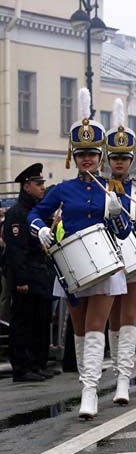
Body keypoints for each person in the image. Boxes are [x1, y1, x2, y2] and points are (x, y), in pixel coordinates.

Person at [28, 88, 132, 419]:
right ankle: (85, 384)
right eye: (81, 153)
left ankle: (90, 391)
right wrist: (41, 229)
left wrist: (118, 215)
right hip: (71, 268)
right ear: (72, 156)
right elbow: (35, 214)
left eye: (92, 154)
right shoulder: (62, 189)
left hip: (104, 266)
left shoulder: (111, 190)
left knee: (95, 325)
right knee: (79, 328)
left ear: (101, 157)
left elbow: (125, 233)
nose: (87, 159)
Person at [104, 98, 136, 405]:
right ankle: (116, 371)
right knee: (111, 318)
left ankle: (124, 378)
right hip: (108, 259)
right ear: (107, 159)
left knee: (129, 317)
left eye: (125, 158)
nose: (120, 163)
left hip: (135, 259)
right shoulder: (99, 188)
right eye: (115, 158)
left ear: (132, 159)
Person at [4, 163, 54, 382]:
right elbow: (16, 250)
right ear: (26, 186)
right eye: (38, 184)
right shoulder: (17, 214)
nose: (42, 188)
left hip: (39, 274)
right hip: (26, 276)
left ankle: (37, 363)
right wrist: (21, 279)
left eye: (42, 184)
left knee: (39, 322)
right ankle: (22, 367)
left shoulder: (36, 212)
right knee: (23, 323)